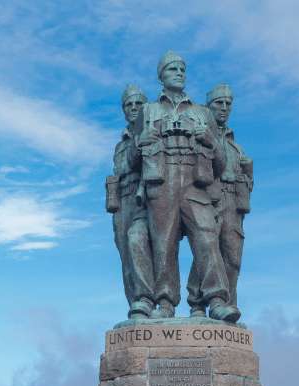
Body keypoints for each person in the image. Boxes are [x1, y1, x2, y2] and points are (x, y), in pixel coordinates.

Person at [133, 51, 240, 322]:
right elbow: (131, 162)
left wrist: (211, 141)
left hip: (195, 182)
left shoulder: (202, 113)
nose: (178, 73)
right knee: (163, 244)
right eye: (172, 69)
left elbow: (223, 161)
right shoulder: (148, 111)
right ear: (161, 75)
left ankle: (216, 300)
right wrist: (141, 141)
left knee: (206, 238)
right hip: (161, 180)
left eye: (181, 69)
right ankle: (165, 303)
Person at [187, 84, 253, 316]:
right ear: (208, 107)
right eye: (219, 103)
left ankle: (228, 303)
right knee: (207, 248)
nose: (224, 108)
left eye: (228, 104)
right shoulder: (201, 135)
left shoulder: (237, 147)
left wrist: (247, 176)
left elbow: (249, 180)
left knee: (232, 257)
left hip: (234, 204)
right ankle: (197, 302)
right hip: (209, 199)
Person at [106, 84, 154, 319]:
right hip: (122, 201)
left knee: (139, 242)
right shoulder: (122, 142)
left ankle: (149, 299)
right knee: (127, 258)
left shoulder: (153, 132)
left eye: (138, 103)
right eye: (129, 104)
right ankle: (137, 305)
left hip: (146, 200)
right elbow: (122, 167)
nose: (134, 108)